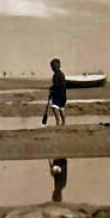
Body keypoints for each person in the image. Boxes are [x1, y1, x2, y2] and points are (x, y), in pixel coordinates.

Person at [48, 58, 68, 202]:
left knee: (55, 108)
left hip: (57, 95)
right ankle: (63, 122)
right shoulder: (62, 74)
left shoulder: (56, 76)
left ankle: (58, 122)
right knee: (61, 108)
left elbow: (55, 86)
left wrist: (51, 90)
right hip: (63, 95)